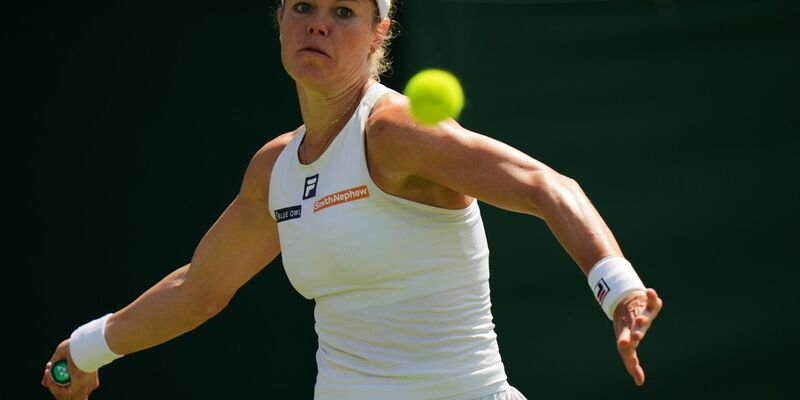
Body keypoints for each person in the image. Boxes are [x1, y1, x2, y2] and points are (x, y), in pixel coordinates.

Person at [42, 1, 663, 399]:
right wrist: (93, 345)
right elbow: (200, 289)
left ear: (378, 33)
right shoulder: (275, 169)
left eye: (344, 12)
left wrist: (619, 287)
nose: (318, 24)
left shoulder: (397, 133)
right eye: (304, 7)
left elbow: (547, 188)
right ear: (280, 19)